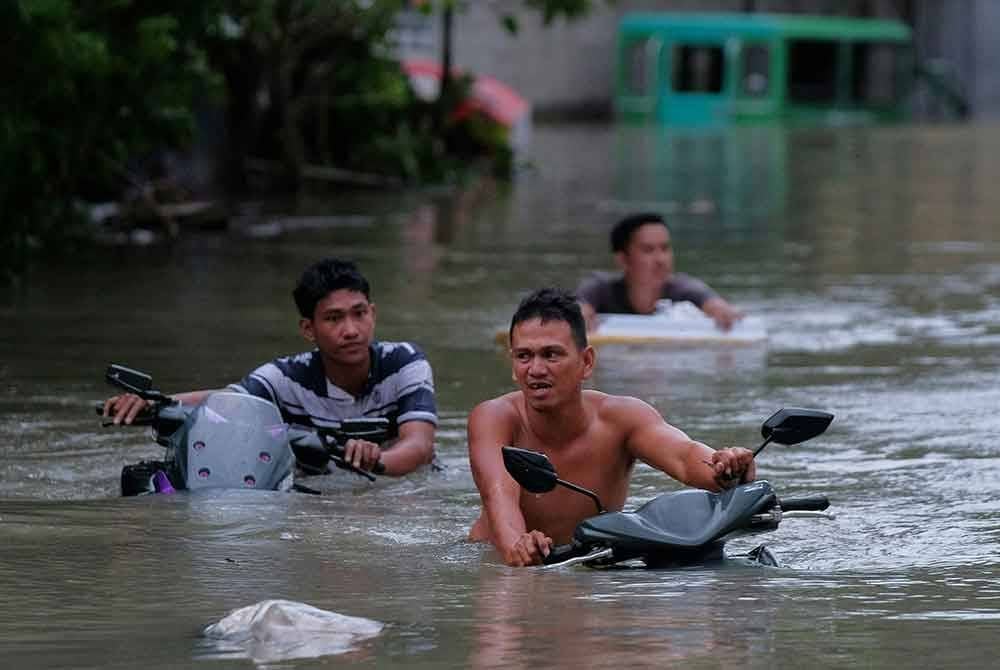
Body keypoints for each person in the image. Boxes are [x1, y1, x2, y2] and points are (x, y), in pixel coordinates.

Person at [467, 288, 756, 567]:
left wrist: (726, 467)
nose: (536, 369)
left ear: (587, 362)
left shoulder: (623, 418)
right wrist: (519, 545)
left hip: (587, 562)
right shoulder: (493, 418)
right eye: (524, 356)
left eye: (551, 354)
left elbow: (684, 455)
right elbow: (498, 496)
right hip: (495, 563)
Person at [103, 258, 437, 476]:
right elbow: (226, 401)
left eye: (359, 313)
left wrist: (375, 459)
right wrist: (153, 404)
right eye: (334, 318)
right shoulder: (286, 377)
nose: (351, 329)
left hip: (399, 488)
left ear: (373, 313)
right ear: (308, 329)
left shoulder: (405, 361)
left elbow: (418, 446)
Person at [576, 212, 742, 331]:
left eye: (665, 248)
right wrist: (579, 316)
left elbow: (715, 305)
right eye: (648, 250)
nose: (661, 259)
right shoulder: (600, 289)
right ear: (623, 259)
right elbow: (577, 309)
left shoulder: (684, 290)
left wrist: (724, 312)